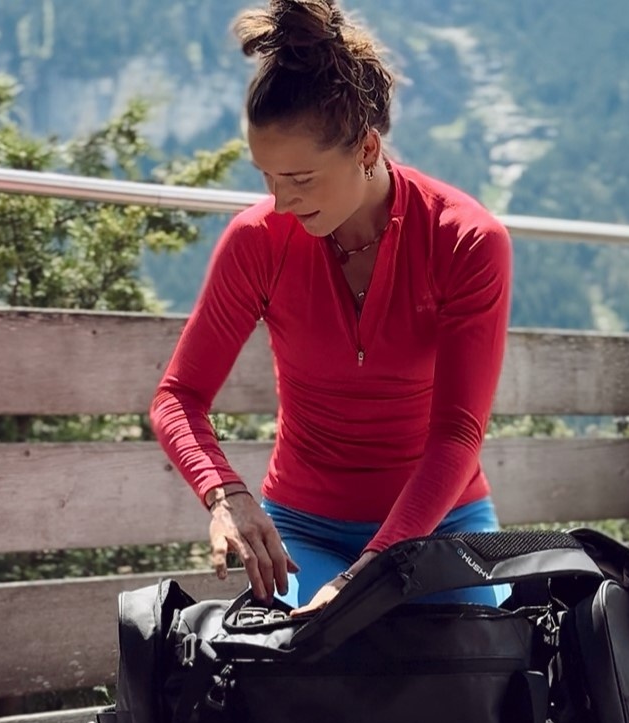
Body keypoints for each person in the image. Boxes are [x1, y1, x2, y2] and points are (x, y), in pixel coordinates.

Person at [150, 0, 512, 615]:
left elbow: (457, 433)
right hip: (304, 530)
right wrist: (225, 494)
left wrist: (367, 576)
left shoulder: (465, 240)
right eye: (268, 177)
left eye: (301, 179)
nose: (281, 202)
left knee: (474, 658)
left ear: (367, 149)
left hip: (440, 523)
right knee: (304, 659)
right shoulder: (257, 240)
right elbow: (178, 397)